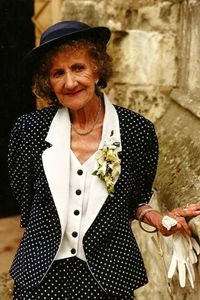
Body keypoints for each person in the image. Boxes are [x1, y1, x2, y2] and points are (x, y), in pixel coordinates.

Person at [8, 20, 200, 300]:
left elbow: (136, 199)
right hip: (40, 276)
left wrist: (159, 219)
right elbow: (26, 201)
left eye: (78, 68)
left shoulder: (137, 131)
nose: (70, 82)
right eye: (57, 73)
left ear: (97, 69)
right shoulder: (29, 130)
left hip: (109, 276)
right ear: (48, 82)